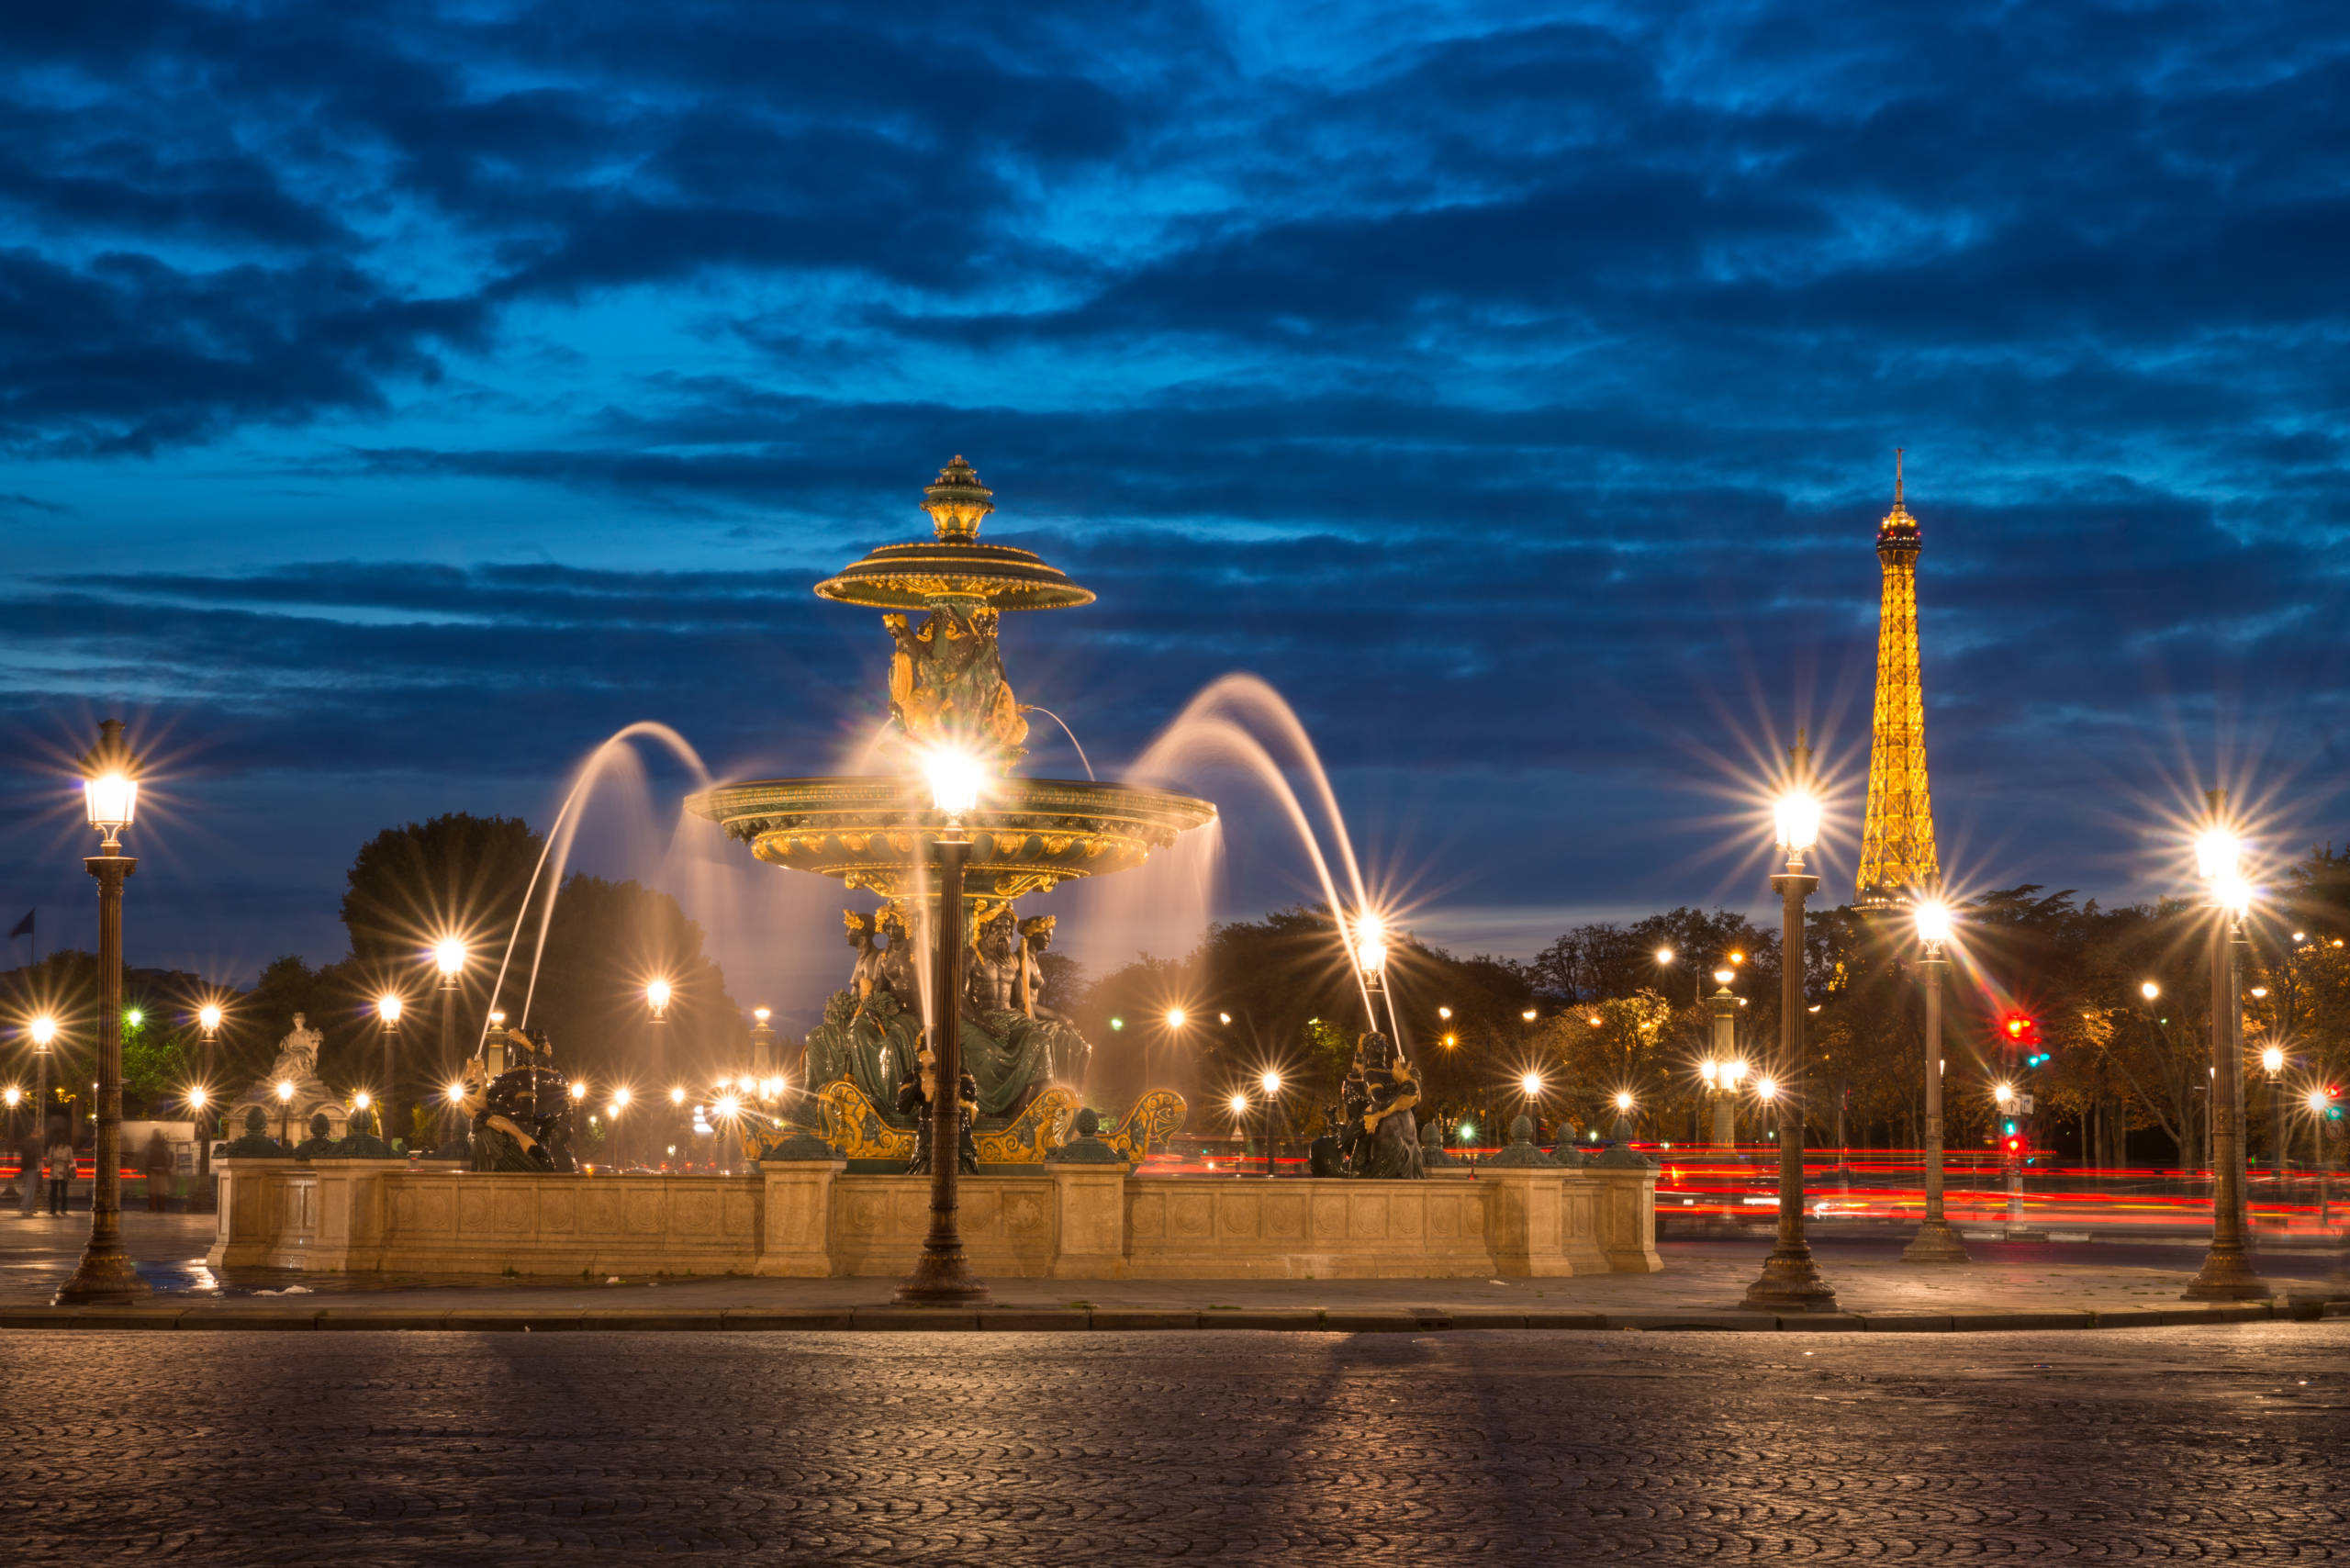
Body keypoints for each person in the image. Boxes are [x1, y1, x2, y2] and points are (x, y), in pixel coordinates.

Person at [44, 1126, 75, 1215]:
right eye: (60, 1142)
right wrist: (52, 1160)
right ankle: (53, 1209)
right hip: (54, 1172)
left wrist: (65, 1160)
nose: (61, 1144)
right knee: (53, 1192)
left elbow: (72, 1160)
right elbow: (47, 1161)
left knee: (64, 1192)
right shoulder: (52, 1148)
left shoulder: (68, 1148)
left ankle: (63, 1209)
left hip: (64, 1172)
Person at [143, 1128, 173, 1211]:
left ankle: (153, 1208)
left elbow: (147, 1158)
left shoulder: (150, 1145)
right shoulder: (165, 1145)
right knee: (161, 1192)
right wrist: (167, 1168)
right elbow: (169, 1156)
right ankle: (161, 1209)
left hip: (152, 1171)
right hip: (162, 1171)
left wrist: (147, 1169)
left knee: (152, 1192)